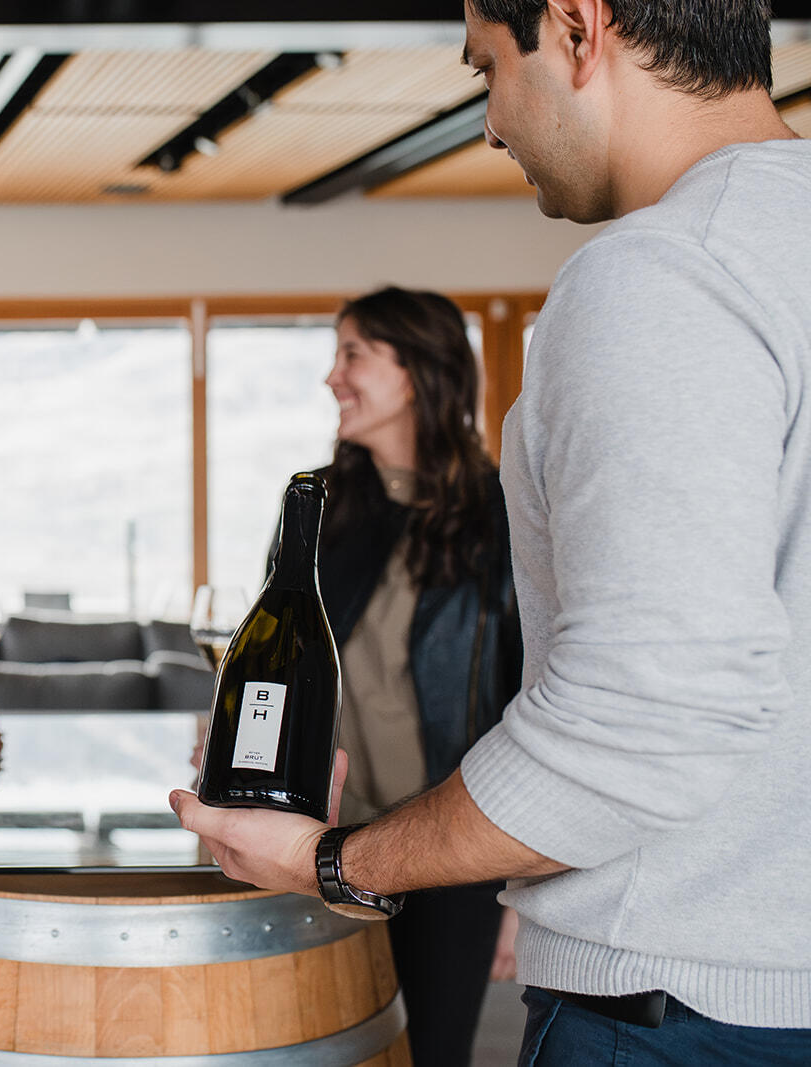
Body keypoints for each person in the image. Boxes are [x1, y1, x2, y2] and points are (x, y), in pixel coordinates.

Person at [173, 0, 811, 1061]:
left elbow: (639, 708)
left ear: (575, 28)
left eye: (484, 70)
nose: (489, 125)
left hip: (679, 1005)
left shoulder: (658, 275)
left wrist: (337, 861)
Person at [270, 286, 520, 1067]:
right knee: (325, 1049)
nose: (331, 376)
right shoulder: (317, 503)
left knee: (433, 1053)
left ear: (415, 371)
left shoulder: (501, 513)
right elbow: (276, 655)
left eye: (353, 354)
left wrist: (520, 887)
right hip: (331, 841)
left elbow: (526, 697)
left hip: (456, 848)